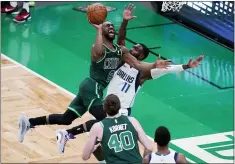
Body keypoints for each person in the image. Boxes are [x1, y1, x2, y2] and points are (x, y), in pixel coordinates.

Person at [56, 3, 203, 155]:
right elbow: (121, 40)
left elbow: (168, 69)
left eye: (137, 49)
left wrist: (186, 66)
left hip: (123, 110)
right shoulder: (121, 61)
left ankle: (72, 136)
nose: (133, 49)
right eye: (134, 47)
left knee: (122, 139)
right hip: (108, 105)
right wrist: (125, 21)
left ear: (142, 56)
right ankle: (74, 137)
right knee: (107, 135)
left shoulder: (143, 72)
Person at [18, 4, 170, 144]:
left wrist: (154, 65)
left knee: (66, 118)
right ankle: (74, 138)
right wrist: (98, 31)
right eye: (107, 26)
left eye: (112, 25)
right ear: (101, 31)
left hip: (91, 89)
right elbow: (97, 50)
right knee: (108, 119)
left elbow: (138, 64)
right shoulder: (98, 49)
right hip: (92, 86)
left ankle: (30, 122)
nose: (111, 27)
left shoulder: (120, 50)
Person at [82, 94, 153, 164]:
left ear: (104, 108)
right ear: (119, 107)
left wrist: (93, 149)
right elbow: (149, 148)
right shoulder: (132, 121)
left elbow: (85, 157)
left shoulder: (98, 127)